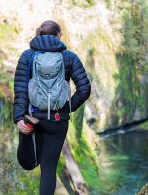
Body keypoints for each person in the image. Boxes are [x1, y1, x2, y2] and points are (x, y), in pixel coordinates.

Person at [13, 20, 91, 195]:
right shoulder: (69, 57)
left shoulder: (27, 56)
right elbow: (84, 89)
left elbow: (20, 89)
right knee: (48, 169)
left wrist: (19, 117)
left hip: (33, 117)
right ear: (59, 36)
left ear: (39, 34)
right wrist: (67, 108)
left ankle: (26, 136)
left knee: (31, 162)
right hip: (57, 120)